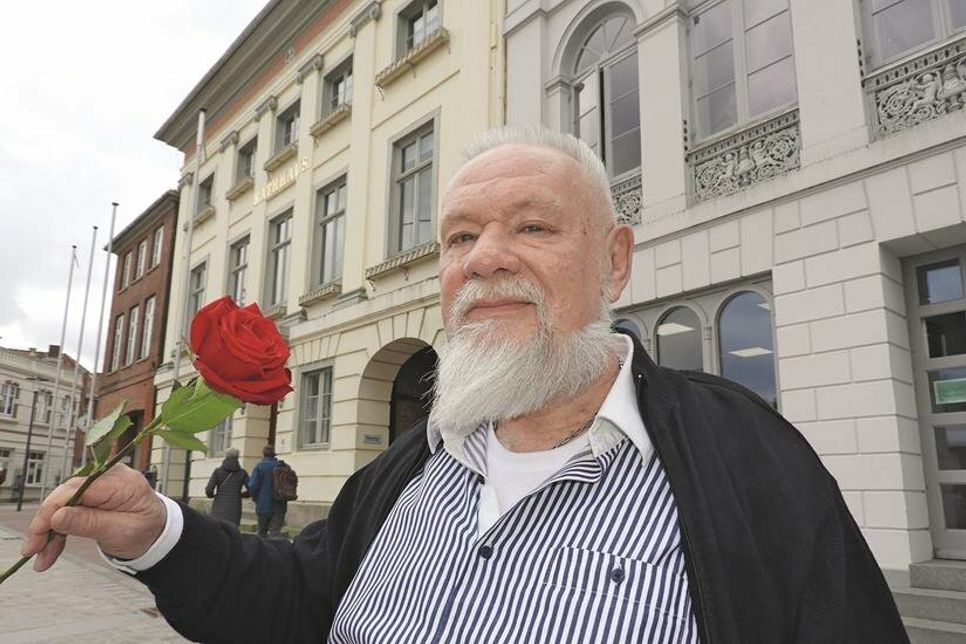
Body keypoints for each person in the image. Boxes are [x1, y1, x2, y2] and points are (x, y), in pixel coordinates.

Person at [23, 127, 909, 643]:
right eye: (458, 239)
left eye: (532, 226)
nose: (486, 259)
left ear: (615, 260)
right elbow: (295, 600)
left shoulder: (749, 462)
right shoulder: (411, 467)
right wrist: (159, 534)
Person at [247, 444, 285, 538]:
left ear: (263, 454)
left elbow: (252, 486)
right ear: (274, 454)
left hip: (263, 504)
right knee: (275, 532)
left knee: (262, 533)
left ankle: (262, 552)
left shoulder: (260, 467)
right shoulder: (283, 466)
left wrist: (256, 498)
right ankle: (277, 551)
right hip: (280, 504)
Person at [204, 448, 249, 527]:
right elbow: (251, 488)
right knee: (232, 529)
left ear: (226, 457)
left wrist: (211, 495)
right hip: (235, 505)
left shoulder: (218, 471)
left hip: (219, 505)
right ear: (237, 457)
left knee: (218, 528)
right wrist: (242, 495)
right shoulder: (242, 473)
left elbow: (209, 489)